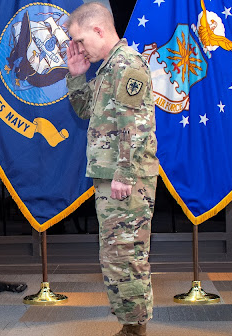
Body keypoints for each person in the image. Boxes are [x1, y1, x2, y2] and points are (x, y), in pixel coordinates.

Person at [64, 3, 159, 336]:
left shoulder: (127, 65)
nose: (78, 47)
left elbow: (132, 125)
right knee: (116, 253)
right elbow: (84, 110)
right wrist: (77, 76)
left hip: (125, 178)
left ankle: (135, 329)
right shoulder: (106, 68)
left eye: (79, 40)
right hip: (111, 176)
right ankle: (131, 324)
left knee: (127, 253)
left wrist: (124, 174)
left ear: (99, 31)